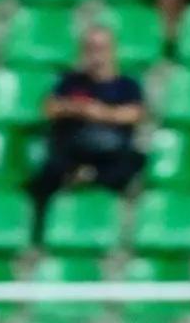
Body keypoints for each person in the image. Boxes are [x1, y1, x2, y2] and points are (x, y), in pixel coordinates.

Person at [26, 26, 145, 242]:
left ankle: (89, 177)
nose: (95, 54)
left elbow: (134, 114)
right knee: (46, 170)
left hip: (111, 150)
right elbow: (50, 107)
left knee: (133, 160)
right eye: (90, 48)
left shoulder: (127, 85)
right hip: (74, 146)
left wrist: (101, 113)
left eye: (101, 48)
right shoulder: (71, 81)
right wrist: (76, 108)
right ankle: (38, 232)